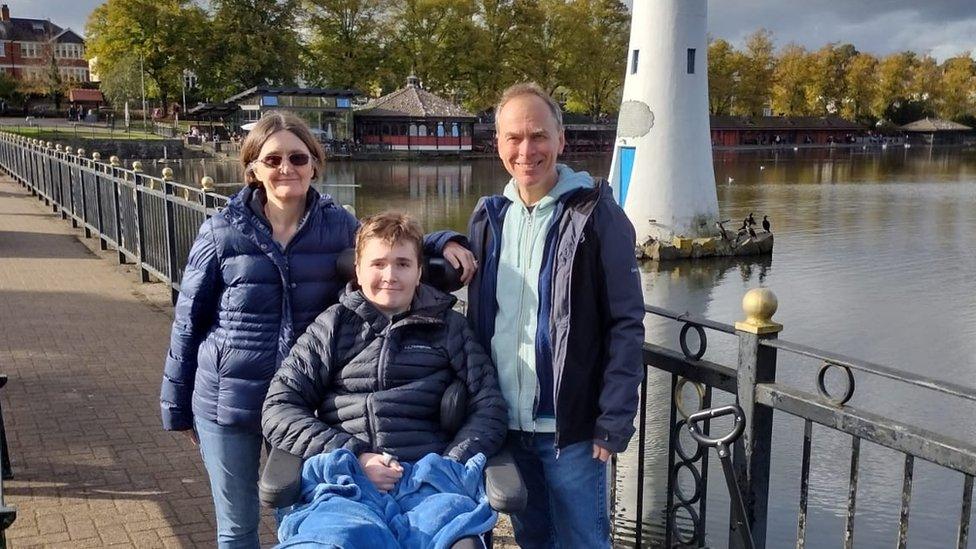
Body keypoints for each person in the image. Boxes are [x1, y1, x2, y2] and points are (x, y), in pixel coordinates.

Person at [160, 111, 474, 549]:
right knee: (237, 527)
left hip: (305, 405)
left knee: (300, 514)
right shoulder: (221, 231)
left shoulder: (338, 226)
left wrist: (443, 244)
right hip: (229, 399)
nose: (286, 168)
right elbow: (189, 321)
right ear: (253, 168)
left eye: (297, 157)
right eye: (272, 160)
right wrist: (175, 404)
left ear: (313, 164)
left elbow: (389, 243)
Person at [464, 82, 645, 548]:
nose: (527, 149)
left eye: (539, 135)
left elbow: (626, 323)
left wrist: (613, 418)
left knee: (584, 541)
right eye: (514, 137)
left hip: (574, 430)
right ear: (498, 144)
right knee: (533, 539)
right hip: (505, 424)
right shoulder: (490, 217)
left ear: (561, 140)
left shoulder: (596, 213)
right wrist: (439, 241)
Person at [262, 211, 507, 485]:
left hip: (428, 480)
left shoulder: (450, 327)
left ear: (419, 272)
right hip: (346, 480)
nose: (390, 276)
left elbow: (490, 407)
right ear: (358, 270)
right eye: (378, 264)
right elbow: (279, 408)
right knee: (339, 529)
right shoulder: (333, 326)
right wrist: (354, 458)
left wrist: (449, 465)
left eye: (403, 264)